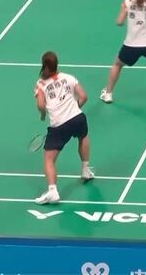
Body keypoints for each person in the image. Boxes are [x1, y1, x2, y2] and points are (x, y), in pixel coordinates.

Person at [33, 51, 95, 204]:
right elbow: (84, 96)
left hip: (59, 125)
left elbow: (40, 105)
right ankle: (85, 170)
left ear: (45, 66)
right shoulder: (69, 77)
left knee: (48, 159)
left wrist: (43, 113)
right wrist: (74, 110)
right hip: (77, 117)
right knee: (83, 137)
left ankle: (52, 192)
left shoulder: (41, 84)